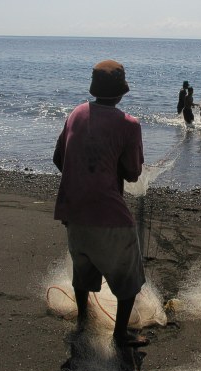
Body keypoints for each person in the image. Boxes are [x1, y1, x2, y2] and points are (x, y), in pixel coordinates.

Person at [53, 60, 149, 349]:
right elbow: (133, 173)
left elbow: (60, 158)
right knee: (128, 280)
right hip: (110, 215)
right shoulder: (129, 125)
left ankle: (84, 321)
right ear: (121, 92)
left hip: (73, 210)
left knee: (82, 272)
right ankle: (120, 335)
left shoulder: (76, 113)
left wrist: (84, 179)